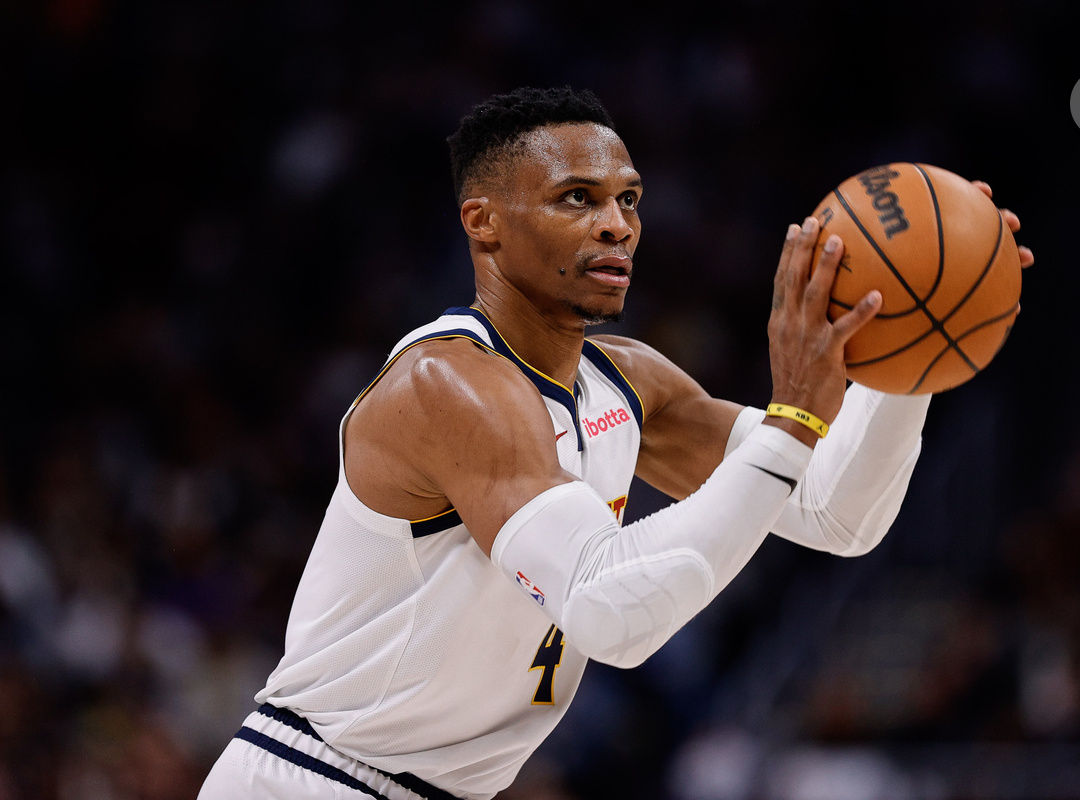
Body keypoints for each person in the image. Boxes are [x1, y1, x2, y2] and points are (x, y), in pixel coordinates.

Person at [198, 86, 1033, 800]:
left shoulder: (626, 382)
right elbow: (607, 614)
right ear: (482, 222)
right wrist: (793, 419)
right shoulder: (447, 385)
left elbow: (835, 513)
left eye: (628, 199)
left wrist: (914, 356)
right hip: (312, 778)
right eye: (577, 198)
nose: (616, 225)